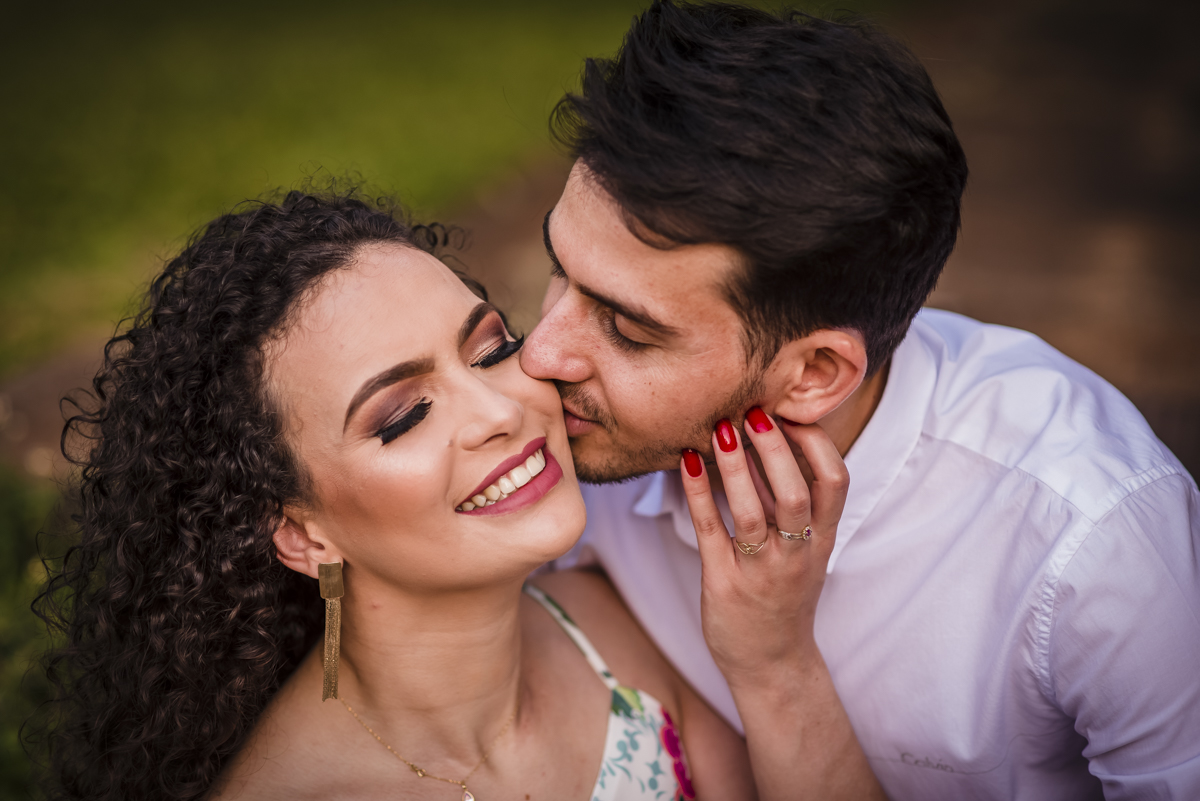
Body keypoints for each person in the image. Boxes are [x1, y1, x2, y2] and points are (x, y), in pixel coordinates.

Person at [521, 2, 1200, 800]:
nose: (539, 354)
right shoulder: (549, 434)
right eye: (559, 269)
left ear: (814, 372)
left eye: (629, 330)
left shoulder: (1092, 539)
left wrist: (775, 663)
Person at [35, 188, 882, 801]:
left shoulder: (615, 630)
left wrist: (775, 661)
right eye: (402, 416)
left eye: (491, 349)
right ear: (302, 533)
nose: (501, 410)